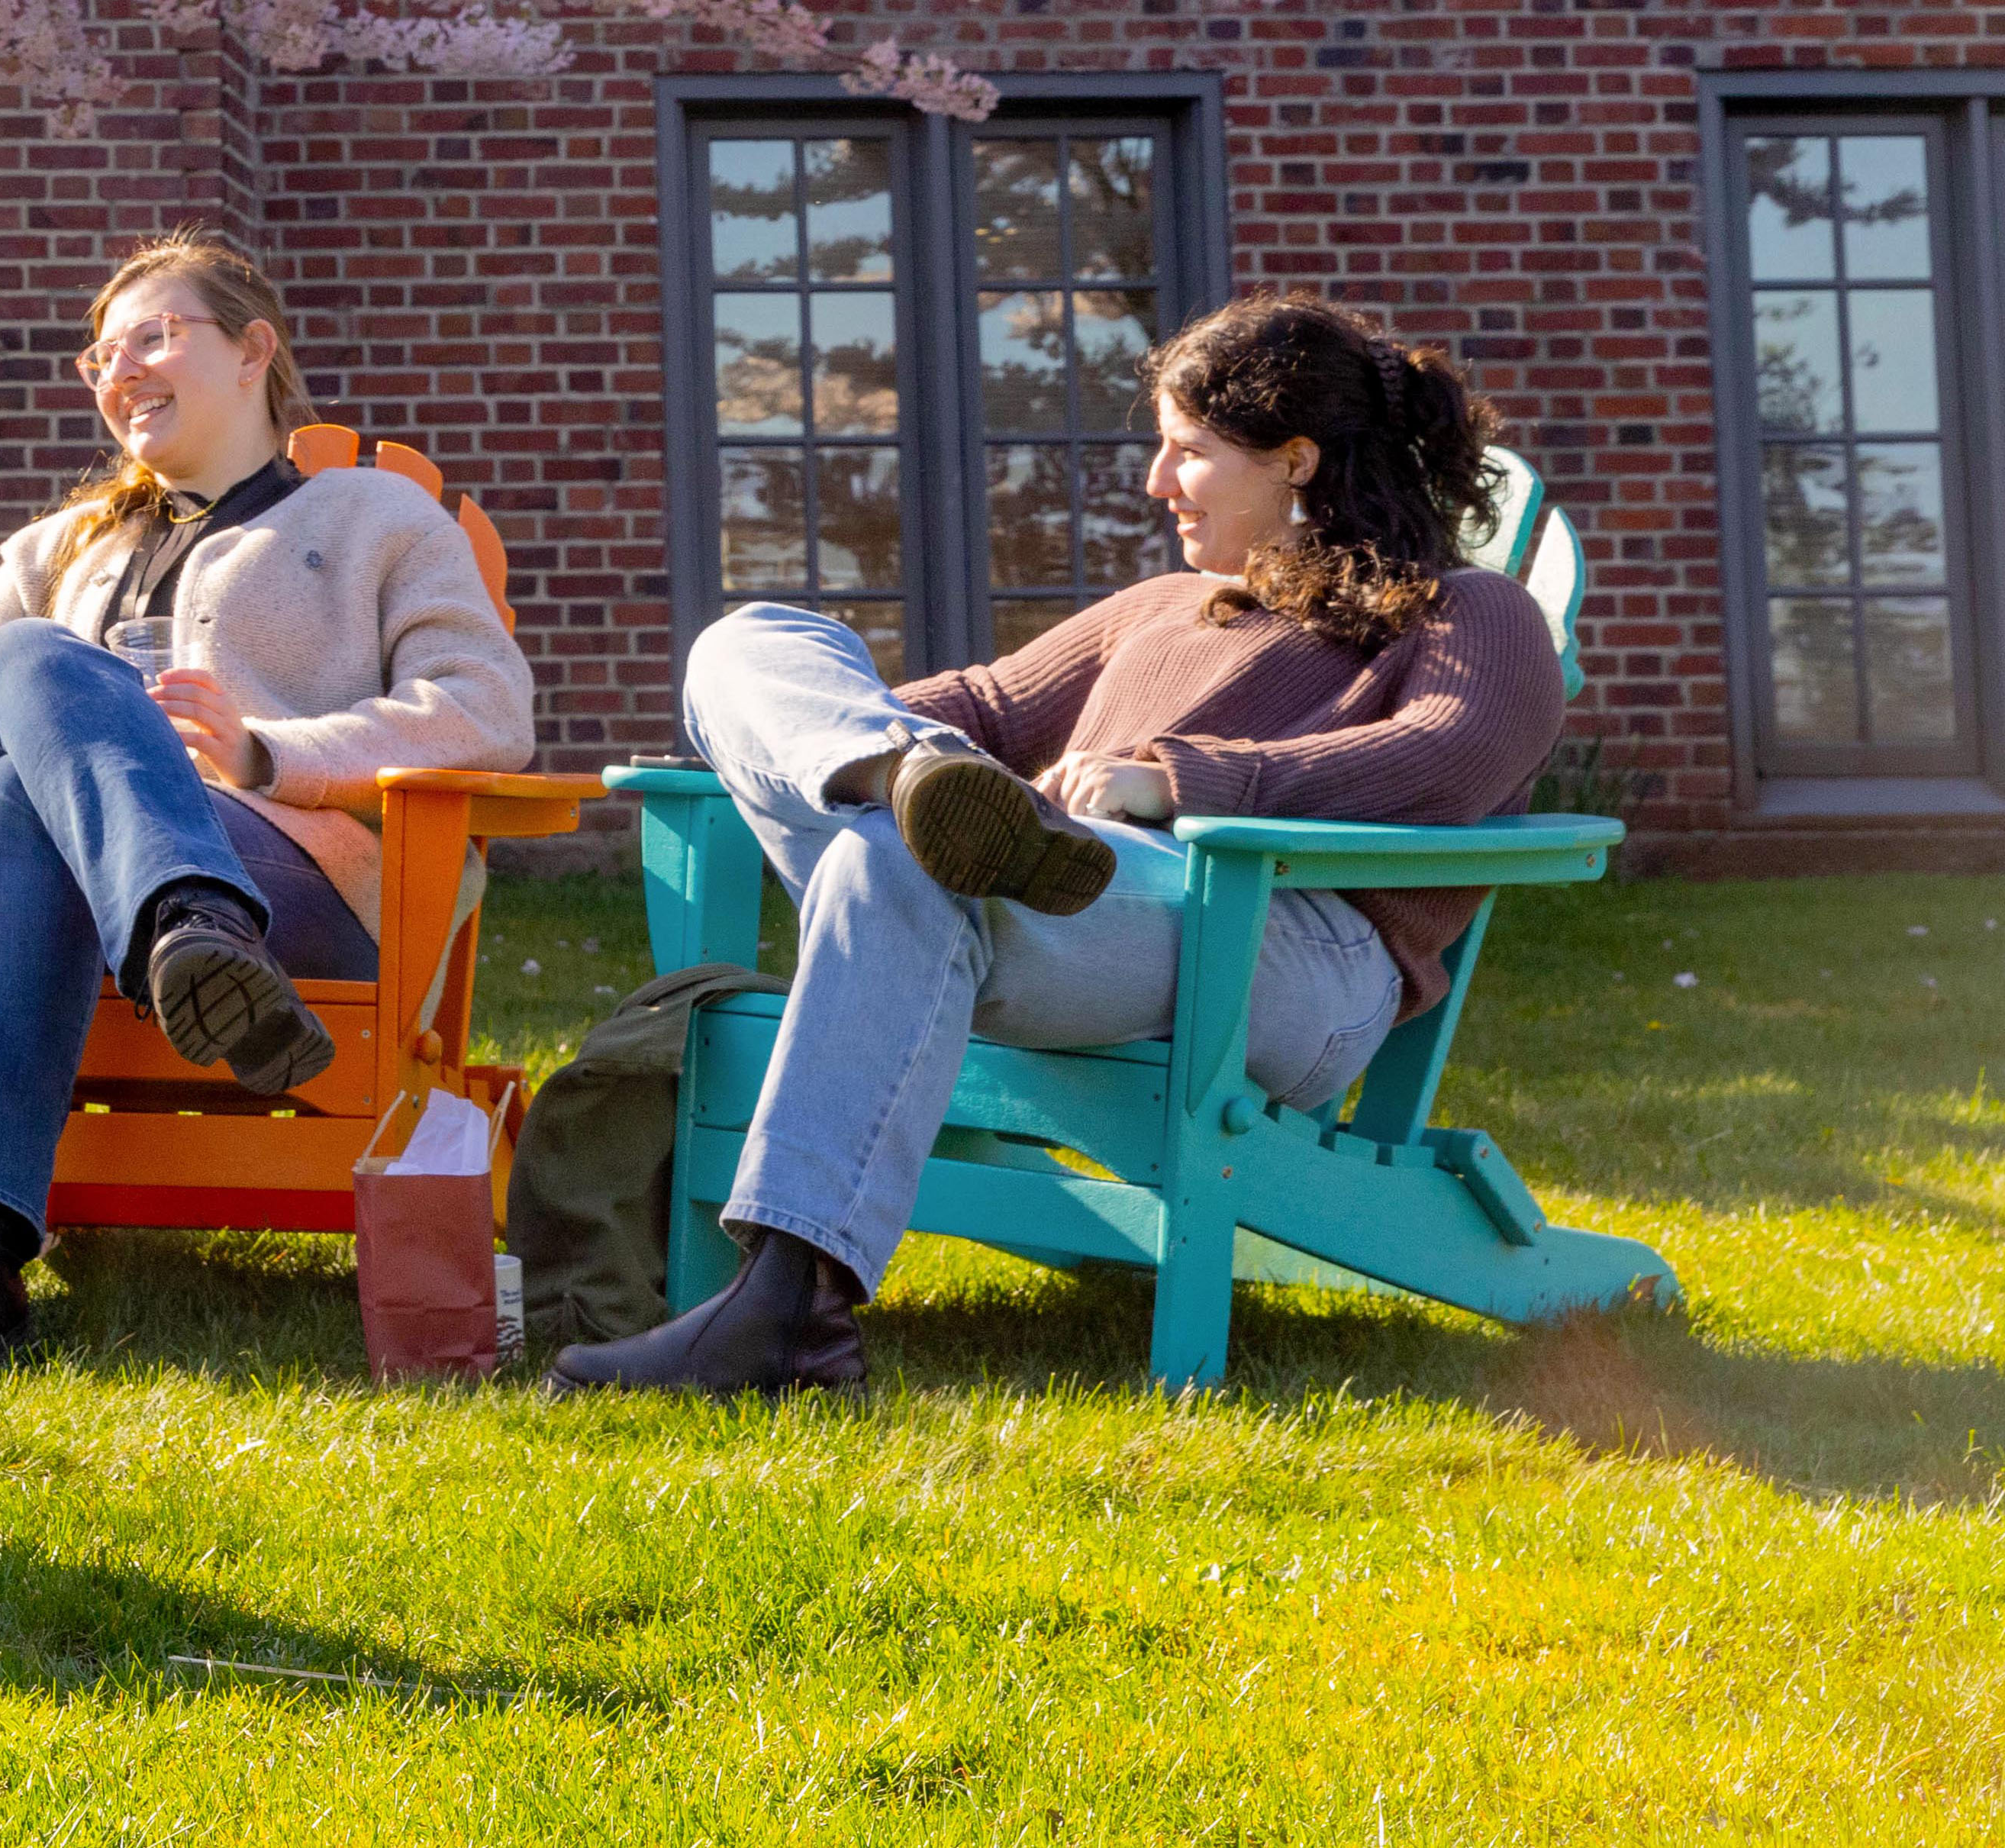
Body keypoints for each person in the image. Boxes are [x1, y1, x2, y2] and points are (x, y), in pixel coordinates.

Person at [555, 294, 1556, 1398]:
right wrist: (804, 734)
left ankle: (781, 1313)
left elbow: (1443, 758)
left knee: (899, 859)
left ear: (1295, 462)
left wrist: (1178, 779)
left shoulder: (1467, 612)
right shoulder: (1166, 605)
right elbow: (977, 703)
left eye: (1188, 452)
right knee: (749, 647)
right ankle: (786, 1312)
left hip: (1272, 939)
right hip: (1064, 900)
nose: (1154, 482)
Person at [0, 234, 533, 1372]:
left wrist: (264, 750)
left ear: (252, 350)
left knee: (29, 767)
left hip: (292, 881)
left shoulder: (376, 517)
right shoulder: (61, 547)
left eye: (154, 336)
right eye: (100, 354)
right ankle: (182, 923)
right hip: (118, 904)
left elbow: (481, 709)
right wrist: (80, 715)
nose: (118, 368)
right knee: (25, 708)